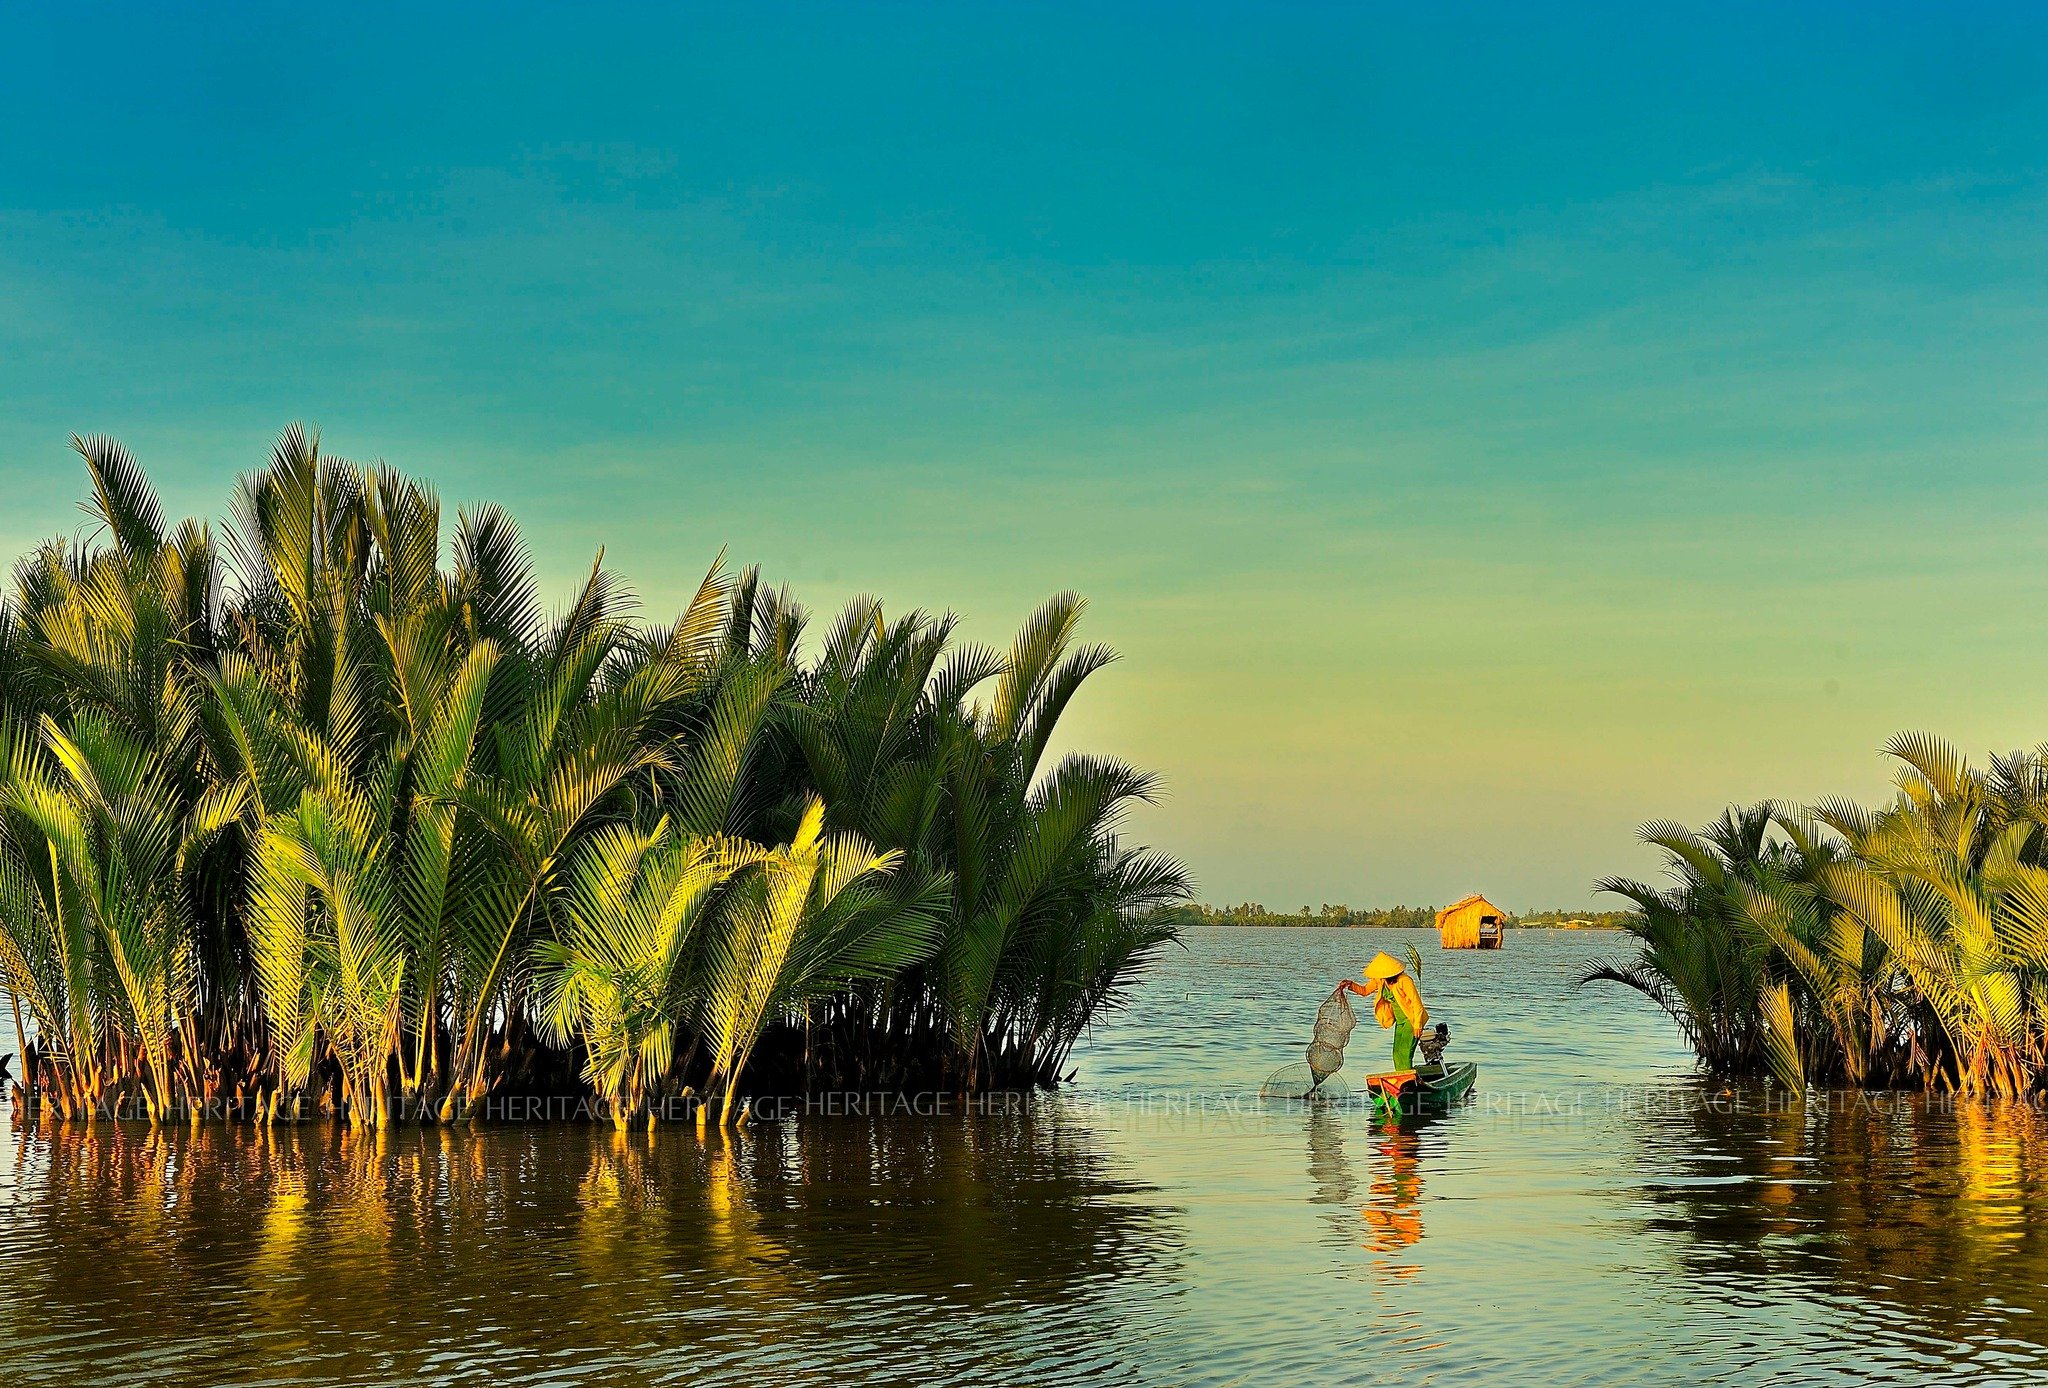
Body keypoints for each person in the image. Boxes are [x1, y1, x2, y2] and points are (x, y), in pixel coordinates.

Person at [1339, 953, 1429, 1071]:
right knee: (1396, 1053)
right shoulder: (1381, 980)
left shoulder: (1404, 980)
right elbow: (1365, 990)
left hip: (1411, 1020)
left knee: (1405, 1052)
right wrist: (1350, 985)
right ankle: (1400, 1077)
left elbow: (1417, 1003)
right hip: (1400, 1022)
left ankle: (1407, 1080)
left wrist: (1418, 1025)